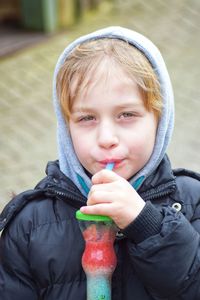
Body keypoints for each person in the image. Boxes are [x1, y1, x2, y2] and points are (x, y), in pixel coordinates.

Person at [0, 26, 200, 300]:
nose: (106, 138)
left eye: (126, 114)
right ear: (65, 127)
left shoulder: (193, 202)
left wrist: (148, 225)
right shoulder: (28, 225)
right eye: (86, 118)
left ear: (160, 120)